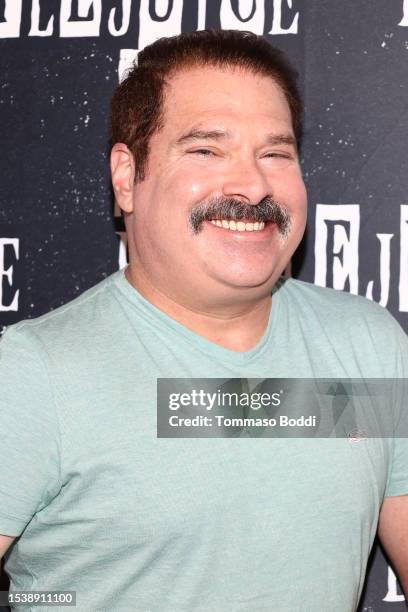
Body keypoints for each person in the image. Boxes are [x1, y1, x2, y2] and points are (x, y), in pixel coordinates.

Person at [0, 29, 407, 612]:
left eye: (275, 153)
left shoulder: (367, 347)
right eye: (206, 150)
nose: (251, 183)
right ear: (126, 176)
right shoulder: (32, 373)